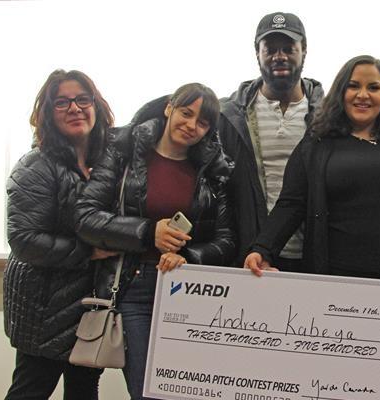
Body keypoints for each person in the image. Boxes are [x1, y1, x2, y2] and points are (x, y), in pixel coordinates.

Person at [75, 83, 234, 400]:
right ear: (169, 107)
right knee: (148, 392)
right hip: (134, 289)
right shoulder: (121, 151)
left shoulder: (214, 171)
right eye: (186, 113)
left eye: (202, 122)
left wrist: (189, 257)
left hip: (191, 294)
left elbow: (227, 239)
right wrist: (148, 232)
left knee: (187, 393)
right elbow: (85, 217)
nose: (191, 126)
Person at [244, 55, 380, 280]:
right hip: (335, 278)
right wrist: (263, 249)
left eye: (373, 87)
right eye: (353, 86)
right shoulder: (315, 145)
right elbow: (291, 204)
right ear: (341, 93)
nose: (363, 95)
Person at [3, 69, 116, 399]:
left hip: (91, 304)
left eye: (83, 99)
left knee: (83, 391)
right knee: (31, 390)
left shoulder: (109, 164)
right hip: (44, 309)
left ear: (97, 106)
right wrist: (88, 252)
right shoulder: (34, 166)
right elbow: (24, 240)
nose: (75, 108)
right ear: (47, 114)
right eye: (62, 102)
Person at [218, 11, 324, 271]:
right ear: (257, 52)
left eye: (289, 48)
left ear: (304, 51)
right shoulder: (228, 116)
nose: (280, 56)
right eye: (270, 49)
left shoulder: (329, 118)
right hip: (251, 258)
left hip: (313, 256)